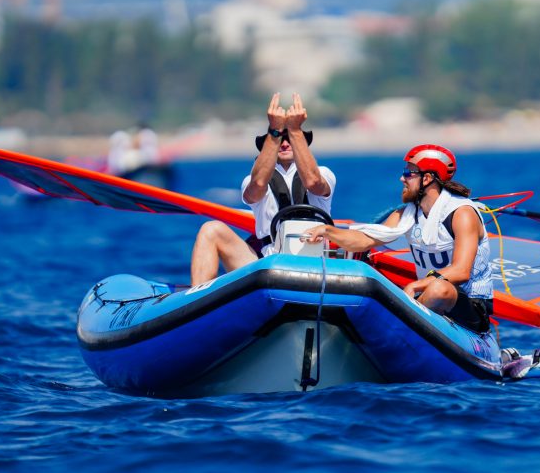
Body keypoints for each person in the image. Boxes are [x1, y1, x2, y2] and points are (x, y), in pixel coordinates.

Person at [303, 144, 492, 334]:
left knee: (438, 289)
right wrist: (327, 231)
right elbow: (364, 239)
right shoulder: (407, 214)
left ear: (426, 178)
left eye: (409, 173)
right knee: (426, 289)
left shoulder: (462, 214)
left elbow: (461, 271)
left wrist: (415, 286)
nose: (402, 178)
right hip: (427, 297)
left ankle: (399, 330)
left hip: (469, 305)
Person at [189, 93, 336, 285]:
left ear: (300, 142)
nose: (284, 143)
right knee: (211, 229)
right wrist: (274, 130)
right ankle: (198, 299)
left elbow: (313, 183)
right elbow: (257, 187)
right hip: (269, 264)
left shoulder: (325, 173)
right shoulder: (253, 179)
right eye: (279, 138)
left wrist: (295, 129)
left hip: (316, 261)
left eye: (289, 138)